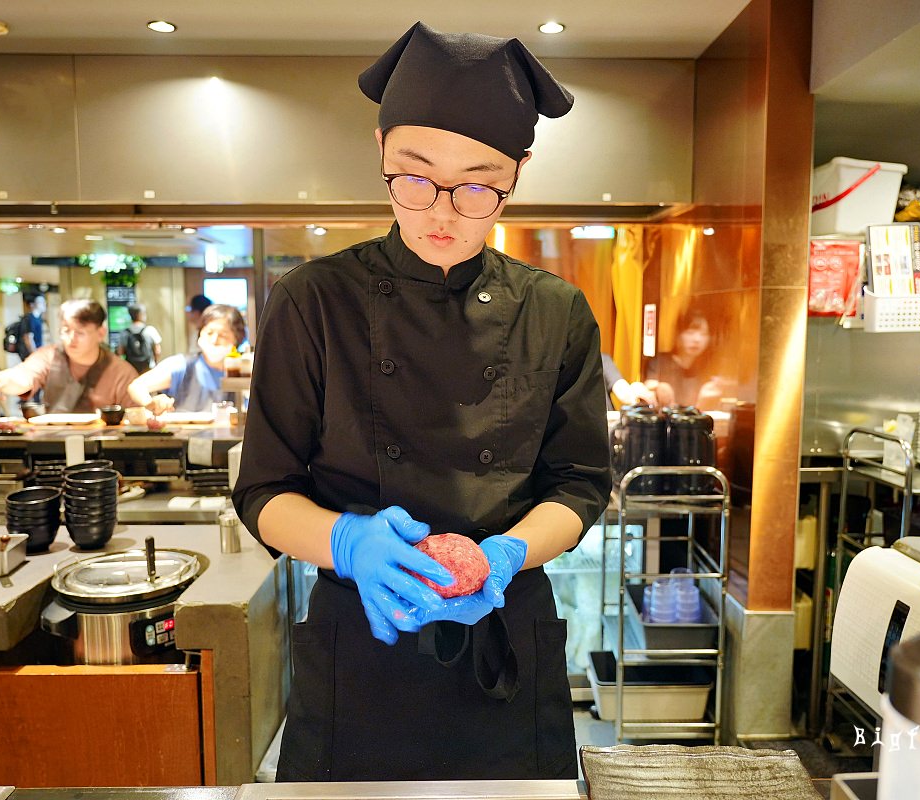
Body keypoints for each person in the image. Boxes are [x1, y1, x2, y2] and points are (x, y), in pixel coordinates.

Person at [232, 22, 611, 782]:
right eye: (414, 176)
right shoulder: (312, 302)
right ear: (379, 152)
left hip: (508, 643)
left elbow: (579, 487)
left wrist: (505, 554)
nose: (443, 212)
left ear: (518, 172)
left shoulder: (557, 311)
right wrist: (349, 544)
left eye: (479, 185)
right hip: (360, 653)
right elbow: (265, 494)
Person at [0, 299, 137, 413]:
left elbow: (136, 417)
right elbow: (24, 376)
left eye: (80, 332)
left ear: (100, 333)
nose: (71, 338)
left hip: (104, 447)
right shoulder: (49, 356)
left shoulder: (121, 372)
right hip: (54, 445)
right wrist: (1, 381)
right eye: (66, 330)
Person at [128, 304, 244, 414]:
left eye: (222, 335)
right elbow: (136, 386)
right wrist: (151, 402)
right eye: (209, 333)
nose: (214, 340)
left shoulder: (246, 370)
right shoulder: (182, 365)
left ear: (237, 339)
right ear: (200, 333)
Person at [644, 307, 725, 410]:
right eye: (690, 332)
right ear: (678, 334)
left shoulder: (709, 368)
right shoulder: (659, 362)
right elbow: (648, 387)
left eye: (704, 334)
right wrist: (658, 388)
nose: (697, 339)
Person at [116, 303, 163, 373]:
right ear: (141, 314)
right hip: (148, 369)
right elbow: (157, 351)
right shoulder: (150, 330)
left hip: (131, 369)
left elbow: (120, 352)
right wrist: (156, 364)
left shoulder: (125, 333)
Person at [18, 291, 46, 359]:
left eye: (44, 302)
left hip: (39, 352)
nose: (44, 304)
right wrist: (35, 355)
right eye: (40, 302)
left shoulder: (39, 318)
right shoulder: (28, 318)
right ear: (32, 304)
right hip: (31, 355)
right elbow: (28, 338)